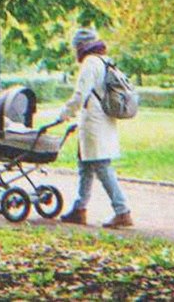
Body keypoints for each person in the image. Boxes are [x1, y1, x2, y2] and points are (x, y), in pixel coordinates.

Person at [57, 28, 133, 228]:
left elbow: (80, 94)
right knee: (85, 165)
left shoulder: (90, 63)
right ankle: (79, 208)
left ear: (80, 46)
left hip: (94, 122)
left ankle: (122, 210)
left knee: (101, 165)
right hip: (103, 119)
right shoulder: (103, 61)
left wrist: (65, 112)